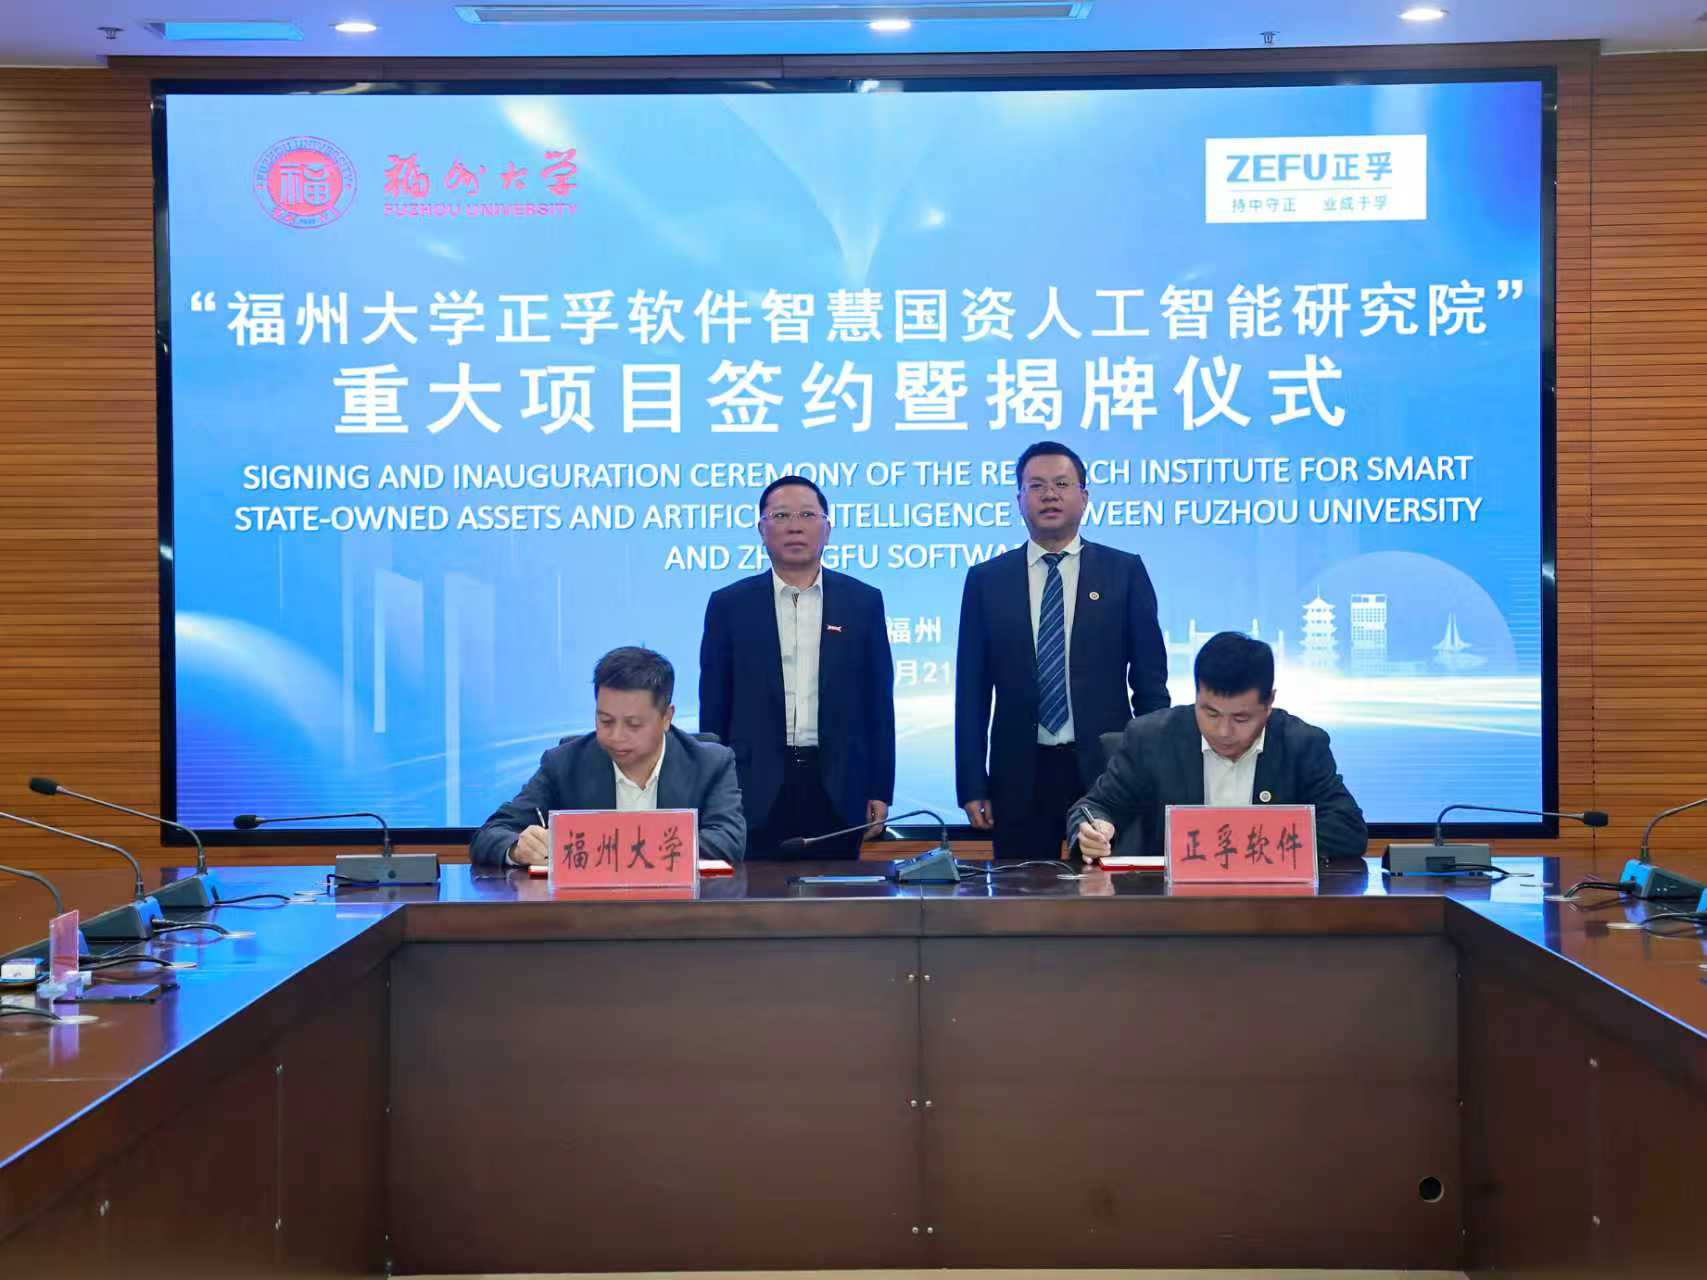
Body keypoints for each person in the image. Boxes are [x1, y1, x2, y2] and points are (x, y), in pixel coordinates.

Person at [955, 441, 1169, 859]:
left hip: (1107, 771)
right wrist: (972, 783)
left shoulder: (1123, 572)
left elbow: (1150, 684)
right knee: (1020, 890)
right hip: (1019, 773)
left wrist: (1152, 769)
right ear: (1019, 499)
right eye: (1036, 486)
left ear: (1084, 497)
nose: (1049, 495)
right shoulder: (987, 580)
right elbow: (971, 693)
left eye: (1061, 484)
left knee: (1109, 889)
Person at [700, 475, 895, 859]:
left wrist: (880, 788)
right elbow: (714, 708)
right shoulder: (729, 605)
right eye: (781, 515)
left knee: (837, 891)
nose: (794, 526)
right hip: (751, 787)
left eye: (807, 515)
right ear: (762, 530)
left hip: (838, 785)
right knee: (753, 893)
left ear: (827, 529)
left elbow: (878, 704)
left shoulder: (862, 602)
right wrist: (712, 790)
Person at [1068, 631, 1367, 861]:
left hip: (1273, 907)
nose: (1223, 731)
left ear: (1269, 703)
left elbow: (1348, 829)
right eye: (1210, 713)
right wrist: (1094, 830)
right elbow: (1094, 807)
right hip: (1170, 909)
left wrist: (1243, 844)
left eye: (1241, 718)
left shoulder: (1301, 744)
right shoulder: (1151, 739)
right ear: (1196, 695)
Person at [469, 646, 745, 867]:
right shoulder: (565, 764)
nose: (616, 736)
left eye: (633, 724)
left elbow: (727, 841)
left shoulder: (709, 763)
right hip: (587, 915)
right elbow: (491, 834)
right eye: (605, 721)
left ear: (666, 718)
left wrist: (608, 848)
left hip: (681, 912)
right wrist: (517, 849)